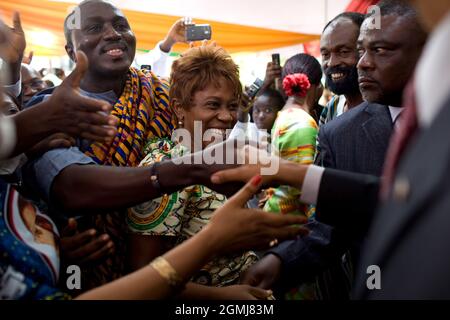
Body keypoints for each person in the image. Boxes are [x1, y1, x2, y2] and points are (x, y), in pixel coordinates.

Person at [213, 0, 432, 299]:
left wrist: (288, 173)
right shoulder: (340, 133)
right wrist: (280, 261)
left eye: (381, 50)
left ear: (430, 51)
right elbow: (331, 226)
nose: (362, 62)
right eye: (363, 49)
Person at [263, 53, 323, 217]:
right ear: (317, 87)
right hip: (291, 222)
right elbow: (306, 186)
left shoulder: (285, 115)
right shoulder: (302, 123)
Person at [318, 12, 365, 127]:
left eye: (343, 52)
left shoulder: (387, 110)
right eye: (325, 54)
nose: (331, 63)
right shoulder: (332, 107)